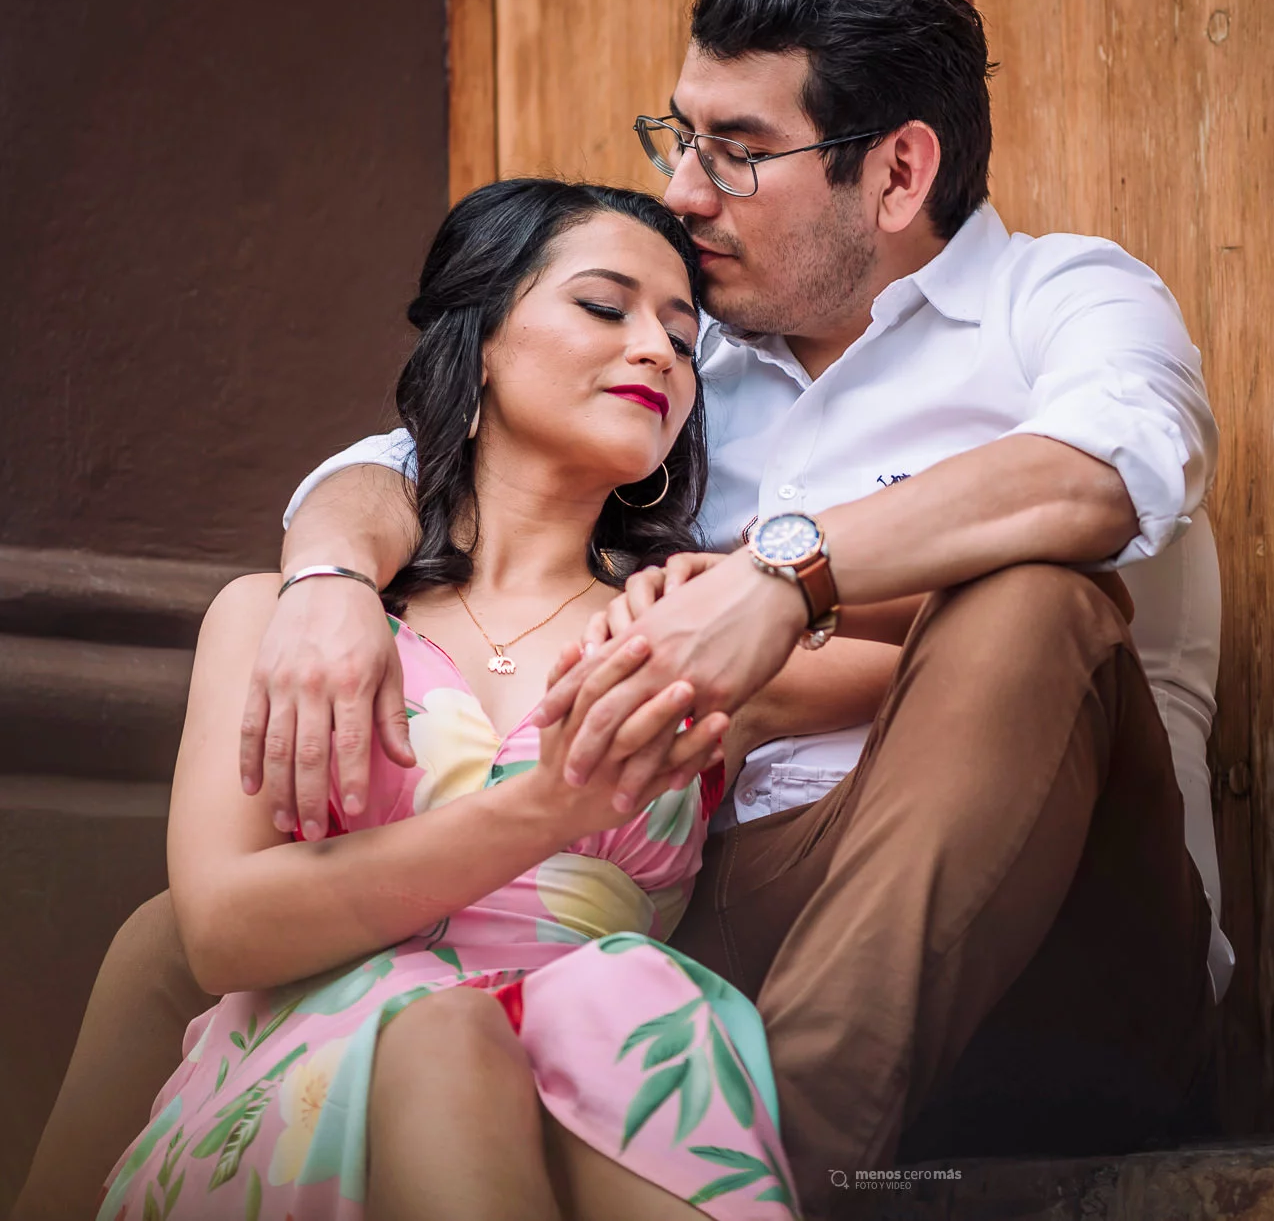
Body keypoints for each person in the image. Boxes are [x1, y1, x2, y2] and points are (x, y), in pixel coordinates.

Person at [18, 0, 1227, 1217]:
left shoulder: (1059, 299)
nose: (685, 192)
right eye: (678, 138)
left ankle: (774, 1167)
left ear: (896, 171)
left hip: (1038, 925)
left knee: (1036, 596)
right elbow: (411, 458)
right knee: (191, 935)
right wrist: (321, 578)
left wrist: (784, 580)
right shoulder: (687, 369)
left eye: (736, 152)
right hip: (718, 908)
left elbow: (1111, 465)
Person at [94, 178, 799, 1221]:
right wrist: (550, 809)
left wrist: (784, 581)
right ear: (478, 344)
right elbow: (223, 933)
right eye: (604, 308)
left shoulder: (691, 628)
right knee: (443, 1031)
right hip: (315, 1075)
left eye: (683, 338)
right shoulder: (287, 617)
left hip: (606, 1058)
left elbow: (930, 652)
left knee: (622, 998)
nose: (658, 350)